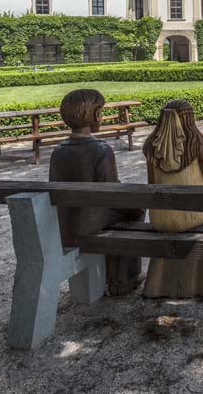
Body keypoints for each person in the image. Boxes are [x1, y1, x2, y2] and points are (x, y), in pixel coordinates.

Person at [49, 89, 144, 295]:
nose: (102, 117)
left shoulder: (58, 151)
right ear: (93, 116)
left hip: (66, 225)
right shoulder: (101, 150)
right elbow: (112, 193)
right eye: (100, 112)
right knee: (134, 213)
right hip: (90, 227)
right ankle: (122, 279)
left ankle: (115, 277)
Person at [142, 99, 203, 299]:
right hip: (192, 216)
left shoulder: (150, 147)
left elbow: (151, 184)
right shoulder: (197, 144)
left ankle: (160, 286)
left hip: (162, 219)